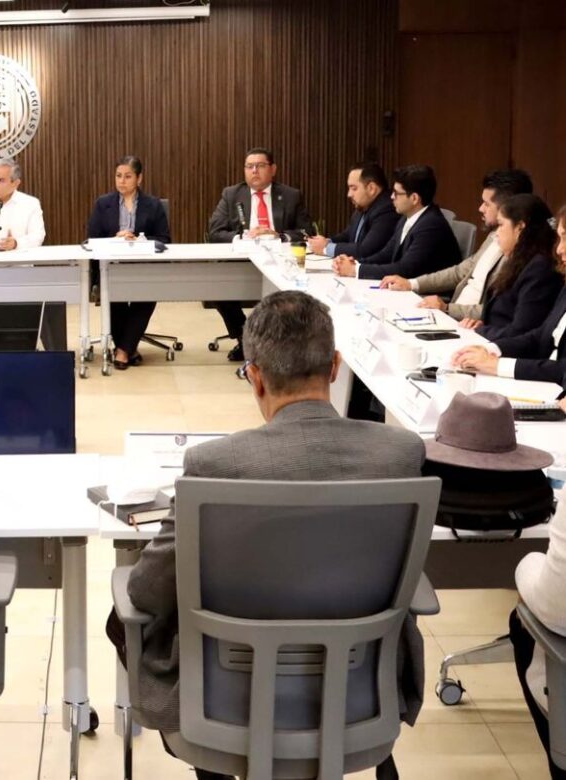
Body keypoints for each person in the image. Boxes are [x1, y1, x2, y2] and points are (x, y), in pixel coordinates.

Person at [115, 291, 425, 780]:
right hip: (358, 695)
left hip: (224, 705)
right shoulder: (400, 455)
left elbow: (145, 590)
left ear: (255, 377)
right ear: (335, 367)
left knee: (130, 618)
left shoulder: (214, 465)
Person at [418, 392, 561, 779]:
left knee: (525, 623)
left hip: (555, 610)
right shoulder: (539, 497)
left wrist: (526, 567)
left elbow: (554, 606)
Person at [380, 169, 534, 319]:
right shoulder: (493, 236)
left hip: (467, 323)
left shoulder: (523, 256)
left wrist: (448, 309)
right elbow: (459, 272)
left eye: (486, 204)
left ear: (508, 208)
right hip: (451, 315)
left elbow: (499, 312)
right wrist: (411, 284)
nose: (480, 208)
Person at [207, 147, 312, 361]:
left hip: (280, 262)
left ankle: (271, 345)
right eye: (249, 166)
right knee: (216, 286)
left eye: (260, 166)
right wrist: (244, 236)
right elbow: (215, 231)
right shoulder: (232, 194)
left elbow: (307, 231)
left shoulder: (290, 196)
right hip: (241, 261)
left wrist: (278, 236)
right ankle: (246, 339)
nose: (254, 171)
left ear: (273, 169)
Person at [453, 204, 566, 383]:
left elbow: (561, 368)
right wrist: (492, 349)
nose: (559, 249)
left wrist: (496, 365)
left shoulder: (540, 267)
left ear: (520, 227)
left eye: (565, 238)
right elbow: (540, 336)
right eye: (559, 239)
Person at [86, 155, 171, 369]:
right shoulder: (103, 204)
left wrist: (139, 239)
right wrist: (115, 239)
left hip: (144, 268)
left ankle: (123, 350)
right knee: (114, 293)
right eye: (118, 176)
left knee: (146, 295)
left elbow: (164, 239)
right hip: (111, 268)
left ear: (139, 178)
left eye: (128, 176)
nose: (122, 181)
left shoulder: (153, 205)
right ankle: (128, 349)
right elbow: (91, 240)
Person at [333, 164, 461, 281]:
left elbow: (405, 269)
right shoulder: (406, 218)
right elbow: (386, 254)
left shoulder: (431, 226)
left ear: (414, 198)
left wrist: (356, 270)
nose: (392, 197)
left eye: (397, 193)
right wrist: (356, 263)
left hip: (427, 294)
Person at [462, 194, 561, 341]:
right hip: (494, 341)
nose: (497, 233)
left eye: (501, 225)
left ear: (520, 227)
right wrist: (482, 326)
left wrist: (481, 331)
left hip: (506, 349)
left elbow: (521, 330)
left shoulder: (539, 269)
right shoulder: (520, 259)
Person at [306, 162, 398, 260]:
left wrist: (326, 248)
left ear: (371, 189)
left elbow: (366, 250)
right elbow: (347, 235)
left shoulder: (387, 209)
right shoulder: (363, 205)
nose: (349, 194)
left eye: (354, 188)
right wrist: (326, 242)